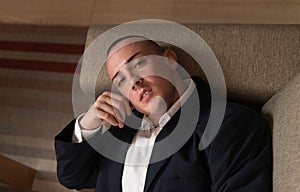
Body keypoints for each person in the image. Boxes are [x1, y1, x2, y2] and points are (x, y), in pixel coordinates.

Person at [55, 35, 272, 192]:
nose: (133, 81)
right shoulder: (121, 132)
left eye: (138, 63)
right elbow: (72, 177)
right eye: (120, 80)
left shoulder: (228, 123)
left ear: (170, 59)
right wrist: (89, 123)